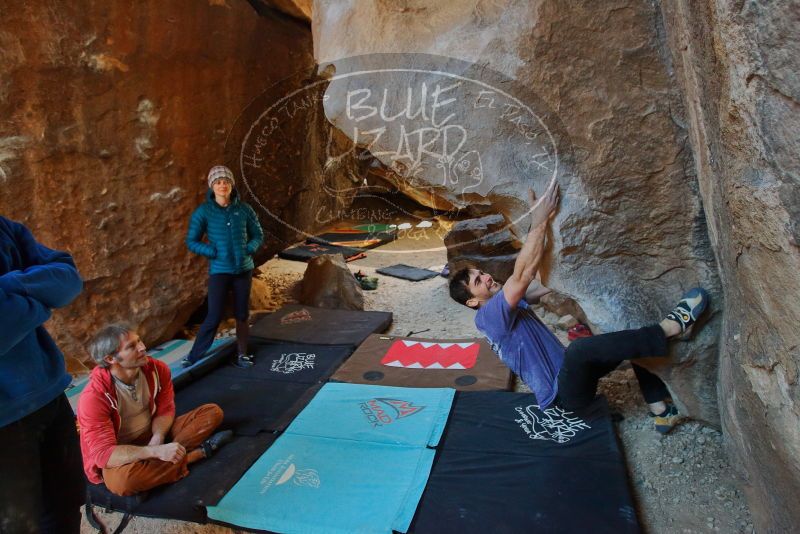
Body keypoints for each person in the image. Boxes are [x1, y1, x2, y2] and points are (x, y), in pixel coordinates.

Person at [448, 180, 709, 433]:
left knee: (622, 338)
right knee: (579, 349)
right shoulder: (488, 318)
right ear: (472, 301)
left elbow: (541, 281)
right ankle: (672, 328)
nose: (487, 277)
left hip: (574, 377)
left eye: (482, 272)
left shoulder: (510, 308)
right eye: (478, 280)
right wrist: (539, 219)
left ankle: (660, 409)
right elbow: (522, 275)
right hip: (563, 398)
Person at [0, 216, 85, 533]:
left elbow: (68, 280)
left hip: (49, 398)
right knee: (19, 525)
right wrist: (40, 301)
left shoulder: (5, 228)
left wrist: (9, 287)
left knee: (66, 508)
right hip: (4, 421)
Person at [78, 323, 233, 496]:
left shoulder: (157, 369)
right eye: (132, 347)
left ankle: (163, 461)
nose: (143, 348)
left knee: (212, 413)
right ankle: (194, 455)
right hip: (122, 452)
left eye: (139, 341)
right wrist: (153, 452)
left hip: (153, 435)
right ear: (110, 359)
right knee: (122, 483)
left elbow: (165, 409)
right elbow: (103, 455)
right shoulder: (93, 398)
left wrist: (158, 437)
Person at [183, 165, 264, 368]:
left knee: (242, 314)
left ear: (231, 185)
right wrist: (213, 252)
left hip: (243, 269)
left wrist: (249, 248)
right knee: (214, 314)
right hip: (219, 270)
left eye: (226, 182)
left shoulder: (244, 209)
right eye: (218, 182)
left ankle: (242, 354)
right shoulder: (204, 212)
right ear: (212, 186)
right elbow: (191, 241)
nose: (222, 185)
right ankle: (194, 356)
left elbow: (258, 234)